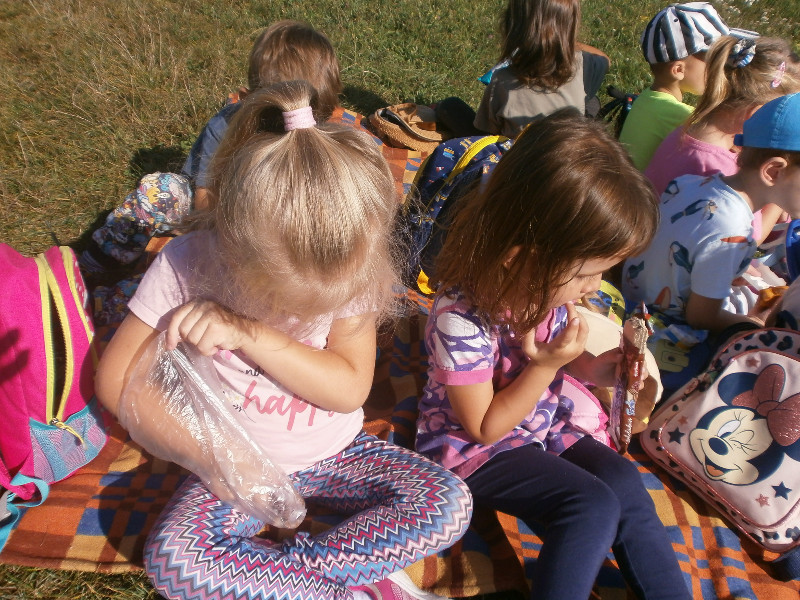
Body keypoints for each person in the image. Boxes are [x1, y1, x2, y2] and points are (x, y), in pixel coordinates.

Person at [95, 81, 473, 600]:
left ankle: (301, 577)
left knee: (448, 504)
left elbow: (347, 390)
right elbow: (116, 381)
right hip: (238, 465)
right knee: (174, 563)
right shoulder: (187, 265)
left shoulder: (351, 265)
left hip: (339, 454)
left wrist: (251, 333)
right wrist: (216, 460)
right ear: (238, 246)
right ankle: (355, 584)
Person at [415, 108, 691, 600]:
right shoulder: (460, 318)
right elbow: (484, 427)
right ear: (522, 258)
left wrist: (594, 369)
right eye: (586, 273)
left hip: (540, 422)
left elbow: (554, 360)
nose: (595, 287)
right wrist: (546, 366)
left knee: (622, 479)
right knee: (588, 506)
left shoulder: (544, 290)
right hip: (474, 450)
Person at [623, 93, 800, 392]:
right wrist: (755, 326)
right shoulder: (732, 234)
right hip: (660, 327)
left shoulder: (693, 182)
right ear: (773, 171)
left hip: (635, 294)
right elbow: (701, 316)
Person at [644, 35, 800, 241]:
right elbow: (749, 238)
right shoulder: (715, 170)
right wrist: (778, 192)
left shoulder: (691, 134)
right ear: (756, 113)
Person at [181, 20, 343, 210]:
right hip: (229, 203)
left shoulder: (318, 127)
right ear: (246, 101)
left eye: (318, 119)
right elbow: (205, 199)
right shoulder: (224, 129)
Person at [437, 0, 609, 138]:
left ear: (512, 25)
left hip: (517, 163)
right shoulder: (585, 65)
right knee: (592, 101)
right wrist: (561, 40)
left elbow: (485, 135)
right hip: (565, 158)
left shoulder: (501, 79)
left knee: (450, 107)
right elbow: (605, 59)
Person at [619, 2, 732, 170]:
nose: (720, 67)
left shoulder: (646, 99)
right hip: (645, 187)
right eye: (713, 60)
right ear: (678, 70)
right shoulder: (682, 116)